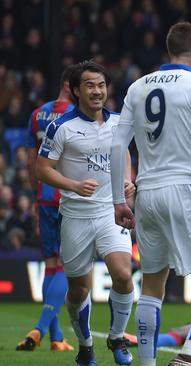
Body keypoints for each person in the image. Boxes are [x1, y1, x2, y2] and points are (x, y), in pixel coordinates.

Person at [110, 22, 191, 366]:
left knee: (152, 286)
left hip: (147, 193)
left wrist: (117, 200)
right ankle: (189, 354)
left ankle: (147, 364)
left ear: (170, 50)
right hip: (186, 187)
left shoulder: (137, 87)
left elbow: (116, 145)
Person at [36, 61, 136, 366]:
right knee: (79, 289)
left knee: (123, 274)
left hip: (110, 212)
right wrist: (73, 185)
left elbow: (125, 153)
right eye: (90, 85)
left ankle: (117, 337)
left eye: (102, 85)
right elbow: (42, 169)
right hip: (76, 216)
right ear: (76, 90)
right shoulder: (61, 127)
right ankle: (86, 345)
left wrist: (127, 180)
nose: (97, 91)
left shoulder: (120, 122)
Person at [16, 64, 76, 353]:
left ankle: (56, 337)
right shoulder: (75, 115)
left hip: (43, 194)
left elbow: (30, 160)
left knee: (51, 264)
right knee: (64, 265)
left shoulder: (37, 114)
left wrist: (34, 191)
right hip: (67, 194)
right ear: (69, 86)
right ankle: (40, 329)